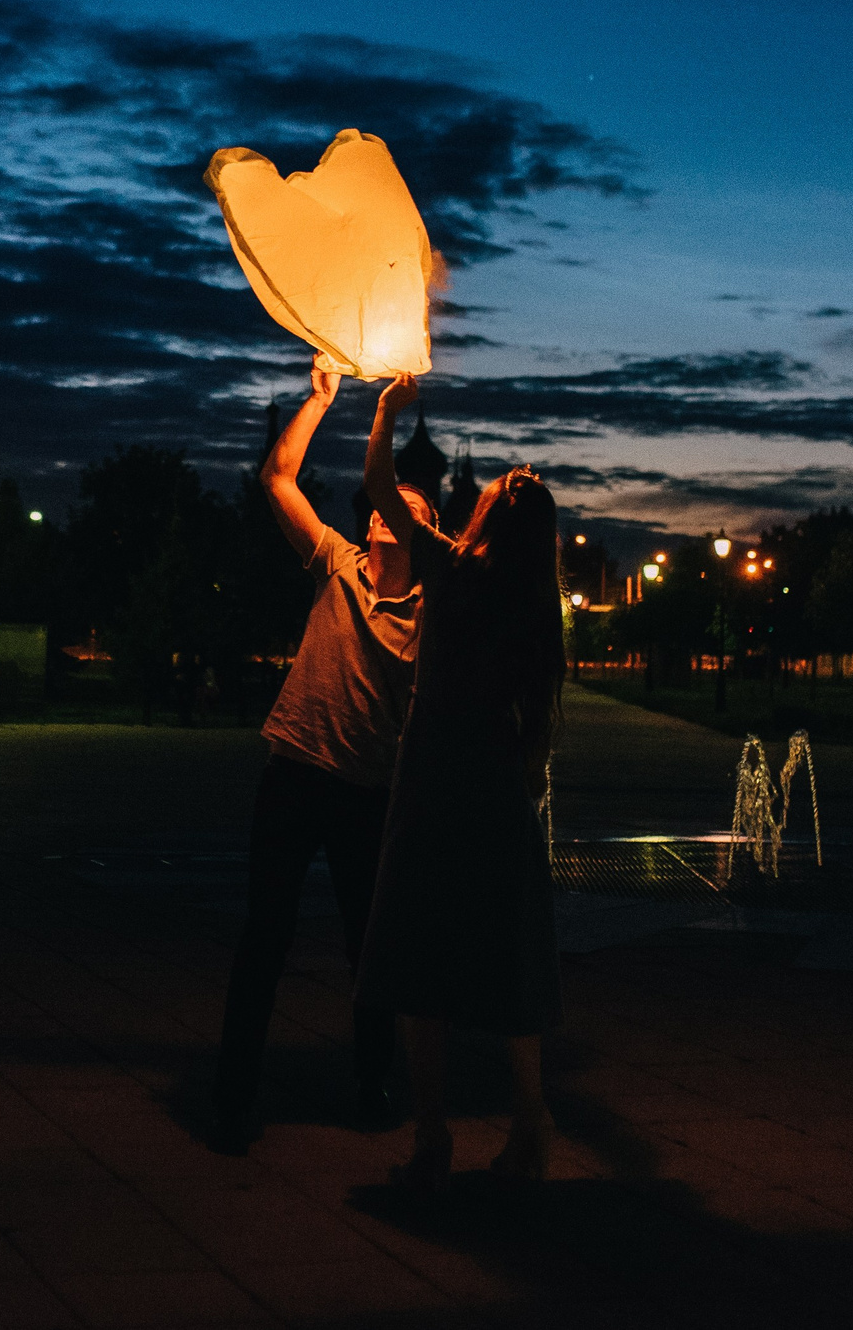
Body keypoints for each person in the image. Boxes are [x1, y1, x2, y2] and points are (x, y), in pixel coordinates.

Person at [213, 355, 440, 1154]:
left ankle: (374, 1081)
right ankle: (232, 1091)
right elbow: (278, 481)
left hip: (367, 793)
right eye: (381, 503)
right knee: (263, 935)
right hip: (294, 773)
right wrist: (318, 402)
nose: (382, 512)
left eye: (402, 505)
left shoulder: (430, 613)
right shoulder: (336, 563)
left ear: (422, 531)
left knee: (367, 947)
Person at [355, 371, 565, 1188]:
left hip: (434, 779)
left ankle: (432, 1134)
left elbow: (379, 485)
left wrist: (382, 410)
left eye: (518, 484)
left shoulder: (450, 570)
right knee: (507, 957)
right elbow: (536, 725)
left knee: (418, 955)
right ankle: (531, 1119)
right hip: (496, 787)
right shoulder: (531, 607)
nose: (521, 472)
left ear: (490, 514)